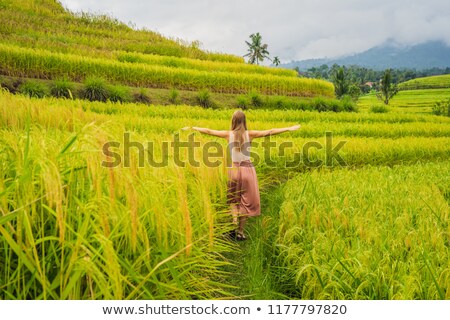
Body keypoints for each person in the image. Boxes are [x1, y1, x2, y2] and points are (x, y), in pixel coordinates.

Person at [190, 110, 300, 240]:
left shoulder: (227, 135)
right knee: (245, 201)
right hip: (247, 170)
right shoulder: (250, 134)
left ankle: (234, 220)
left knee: (232, 199)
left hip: (233, 171)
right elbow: (270, 131)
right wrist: (288, 128)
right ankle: (240, 232)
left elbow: (208, 131)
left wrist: (192, 128)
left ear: (233, 121)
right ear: (244, 121)